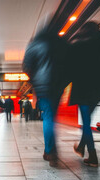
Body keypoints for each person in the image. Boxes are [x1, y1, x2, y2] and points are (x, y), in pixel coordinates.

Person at [69, 21, 100, 167]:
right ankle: (82, 147)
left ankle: (92, 155)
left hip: (83, 88)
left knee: (86, 123)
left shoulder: (78, 45)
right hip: (98, 89)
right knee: (87, 121)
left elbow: (72, 69)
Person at [23, 22, 69, 161]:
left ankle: (50, 151)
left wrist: (35, 79)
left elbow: (26, 66)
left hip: (42, 87)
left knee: (48, 117)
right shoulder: (62, 44)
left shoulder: (34, 44)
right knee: (52, 116)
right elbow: (69, 65)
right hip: (58, 86)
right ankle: (51, 149)